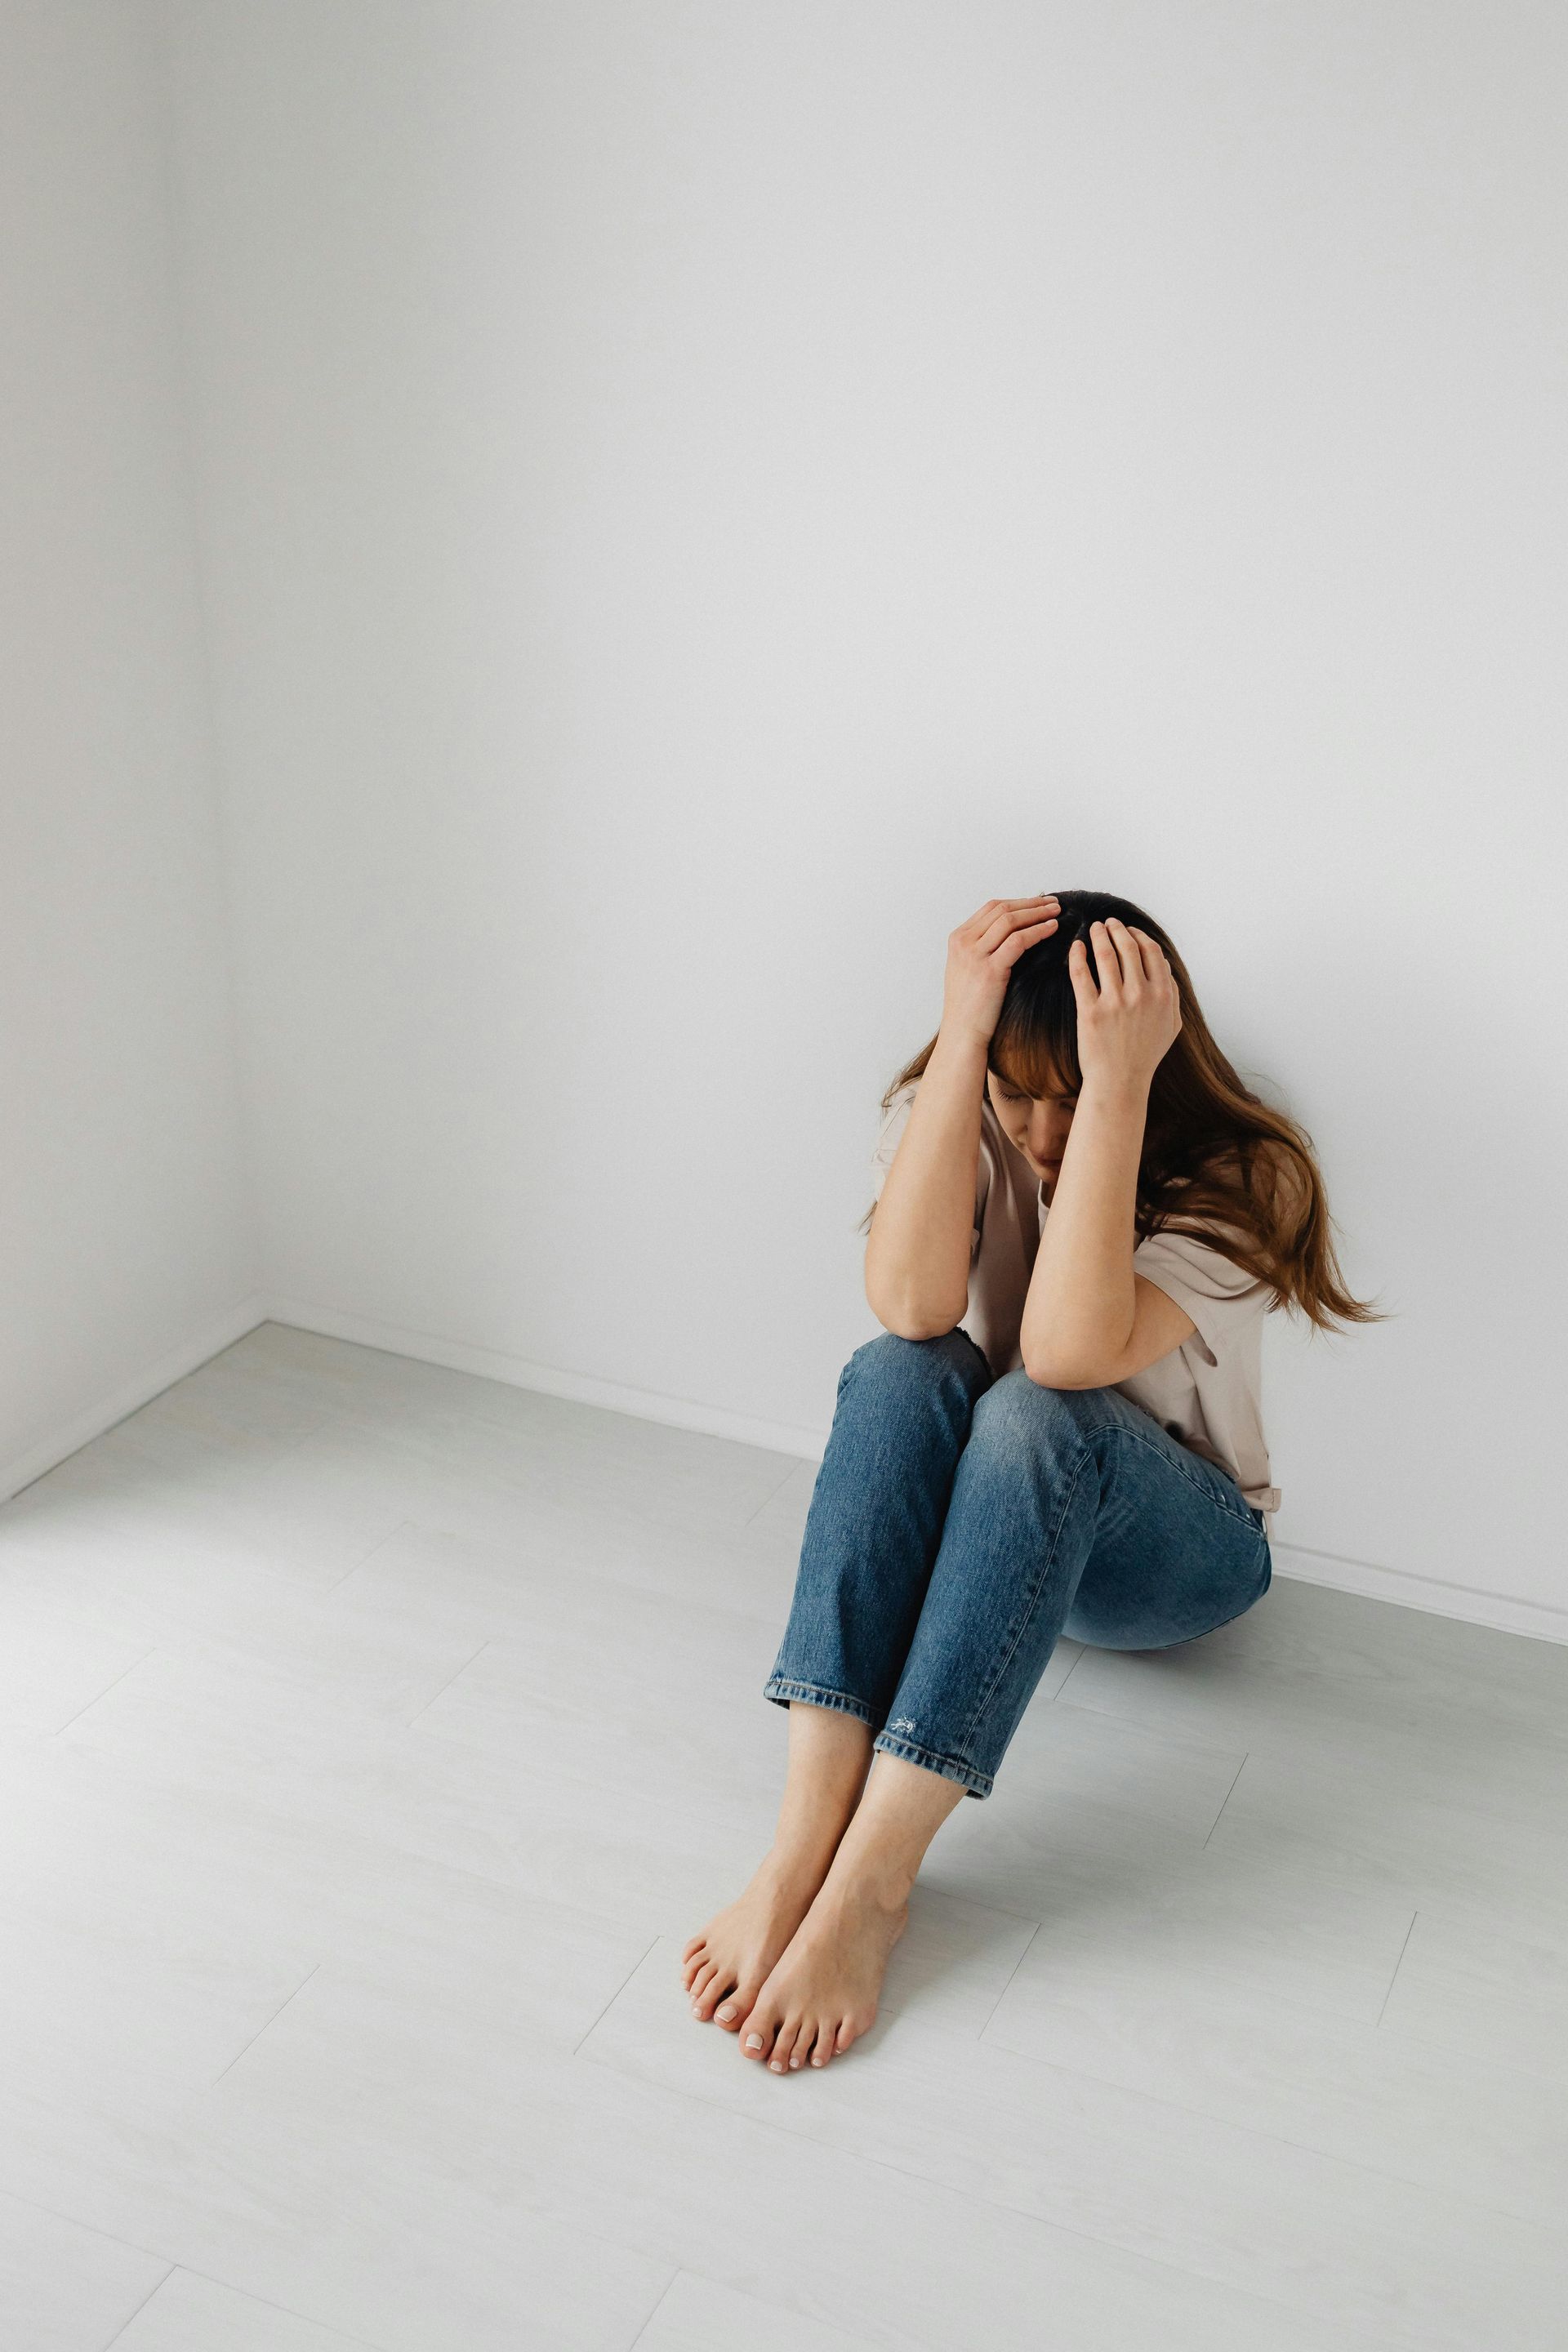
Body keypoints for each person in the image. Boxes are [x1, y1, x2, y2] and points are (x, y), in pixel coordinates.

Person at [682, 887, 1382, 2077]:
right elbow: (908, 1309)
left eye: (1072, 1094)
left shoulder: (1248, 1172)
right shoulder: (962, 1104)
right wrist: (962, 1048)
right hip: (1002, 1528)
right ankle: (801, 1847)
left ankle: (872, 1886)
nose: (1041, 1131)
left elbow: (1064, 1359)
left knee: (1037, 1411)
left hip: (1176, 1559)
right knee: (903, 1371)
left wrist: (1118, 1094)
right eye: (1019, 1092)